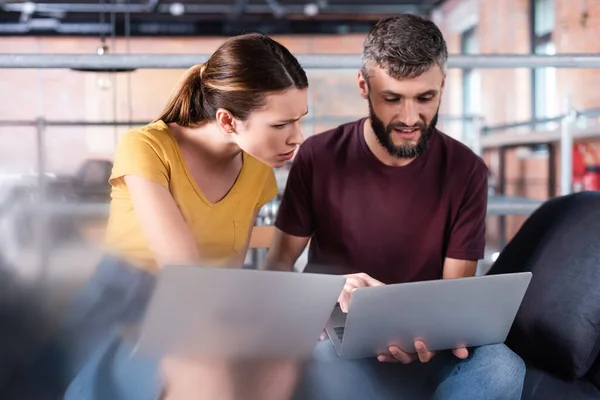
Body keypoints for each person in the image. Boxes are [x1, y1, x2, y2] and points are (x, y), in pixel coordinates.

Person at [7, 32, 309, 400]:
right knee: (204, 365)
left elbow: (226, 273)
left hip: (197, 310)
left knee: (279, 361)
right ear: (228, 121)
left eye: (299, 120)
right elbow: (180, 268)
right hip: (125, 309)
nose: (298, 137)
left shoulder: (258, 172)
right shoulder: (146, 147)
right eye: (281, 125)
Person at [265, 14, 526, 400]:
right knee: (315, 366)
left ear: (442, 86)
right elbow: (278, 266)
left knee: (502, 368)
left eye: (425, 98)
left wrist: (429, 333)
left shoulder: (466, 170)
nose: (409, 118)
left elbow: (454, 292)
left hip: (428, 344)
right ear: (363, 86)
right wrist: (328, 293)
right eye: (392, 99)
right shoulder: (317, 157)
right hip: (342, 342)